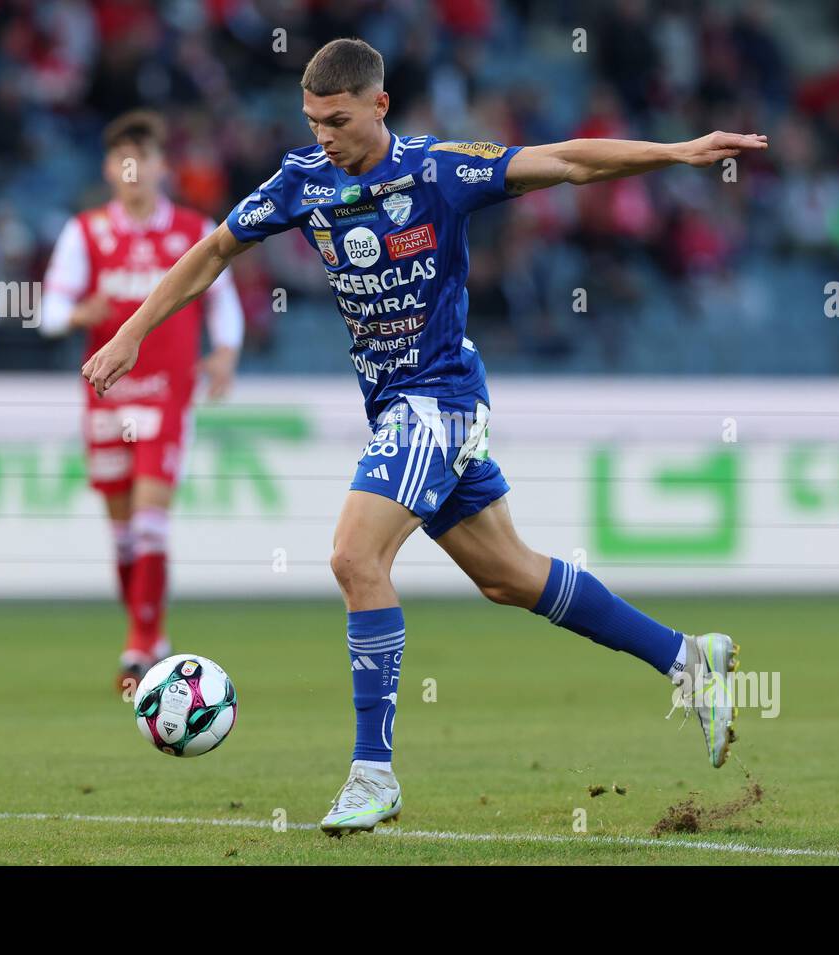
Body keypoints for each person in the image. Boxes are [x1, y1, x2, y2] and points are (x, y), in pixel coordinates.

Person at [80, 40, 767, 833]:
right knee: (509, 576)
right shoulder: (304, 180)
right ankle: (686, 656)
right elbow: (212, 251)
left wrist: (678, 151)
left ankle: (373, 773)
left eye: (337, 120)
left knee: (352, 556)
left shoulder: (440, 170)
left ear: (379, 105)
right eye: (312, 121)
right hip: (399, 410)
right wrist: (132, 332)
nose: (324, 136)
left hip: (438, 402)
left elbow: (569, 163)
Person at [41, 109, 244, 691]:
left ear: (161, 166)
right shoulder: (84, 233)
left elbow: (222, 297)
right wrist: (79, 313)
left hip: (166, 396)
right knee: (124, 533)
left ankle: (136, 651)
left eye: (144, 159)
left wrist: (225, 352)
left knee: (152, 522)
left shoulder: (192, 228)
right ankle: (153, 639)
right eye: (122, 161)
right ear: (109, 169)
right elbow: (49, 312)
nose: (133, 171)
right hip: (107, 396)